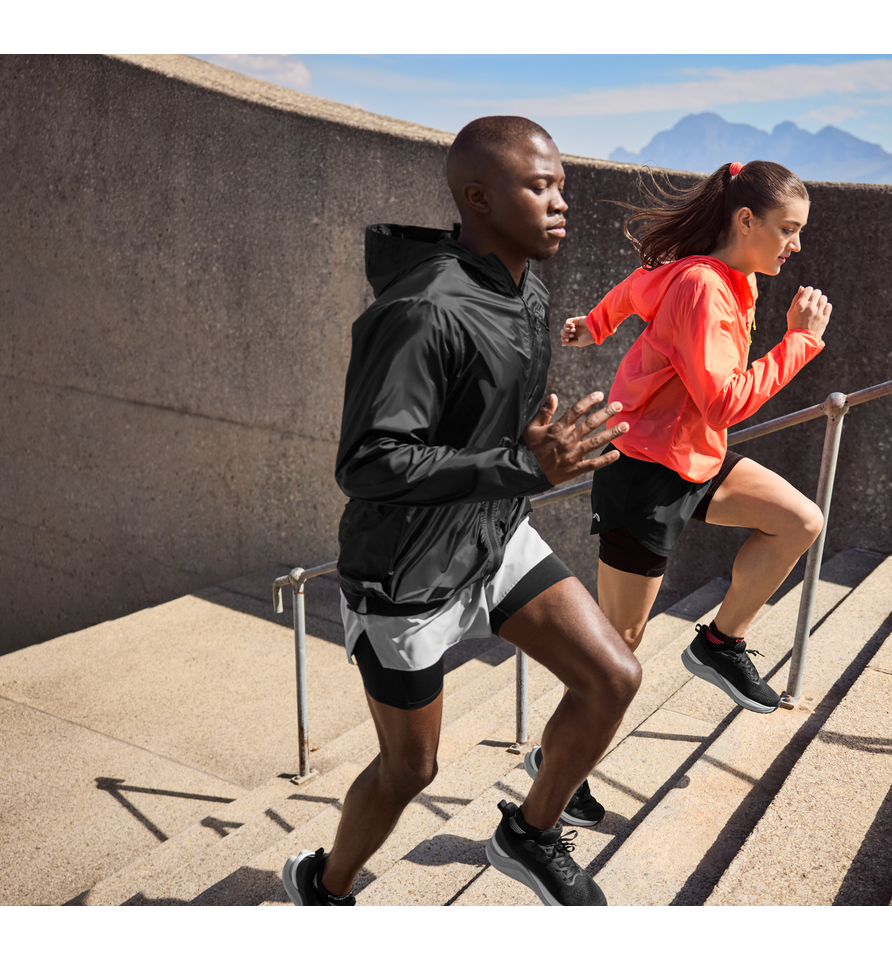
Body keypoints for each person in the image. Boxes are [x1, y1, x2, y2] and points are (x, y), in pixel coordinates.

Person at [282, 117, 641, 908]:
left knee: (613, 674)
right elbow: (368, 462)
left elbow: (487, 422)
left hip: (493, 533)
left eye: (561, 186)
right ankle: (326, 883)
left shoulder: (529, 292)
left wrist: (528, 451)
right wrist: (522, 463)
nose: (559, 203)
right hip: (405, 576)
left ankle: (530, 833)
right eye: (538, 187)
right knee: (412, 769)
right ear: (479, 197)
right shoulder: (420, 310)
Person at [561, 159, 831, 716]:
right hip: (642, 471)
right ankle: (556, 768)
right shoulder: (702, 286)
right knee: (619, 650)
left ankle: (719, 644)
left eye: (800, 231)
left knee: (799, 521)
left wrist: (596, 324)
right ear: (748, 221)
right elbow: (724, 401)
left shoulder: (733, 275)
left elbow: (638, 288)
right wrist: (798, 342)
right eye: (789, 229)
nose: (797, 245)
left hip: (694, 457)